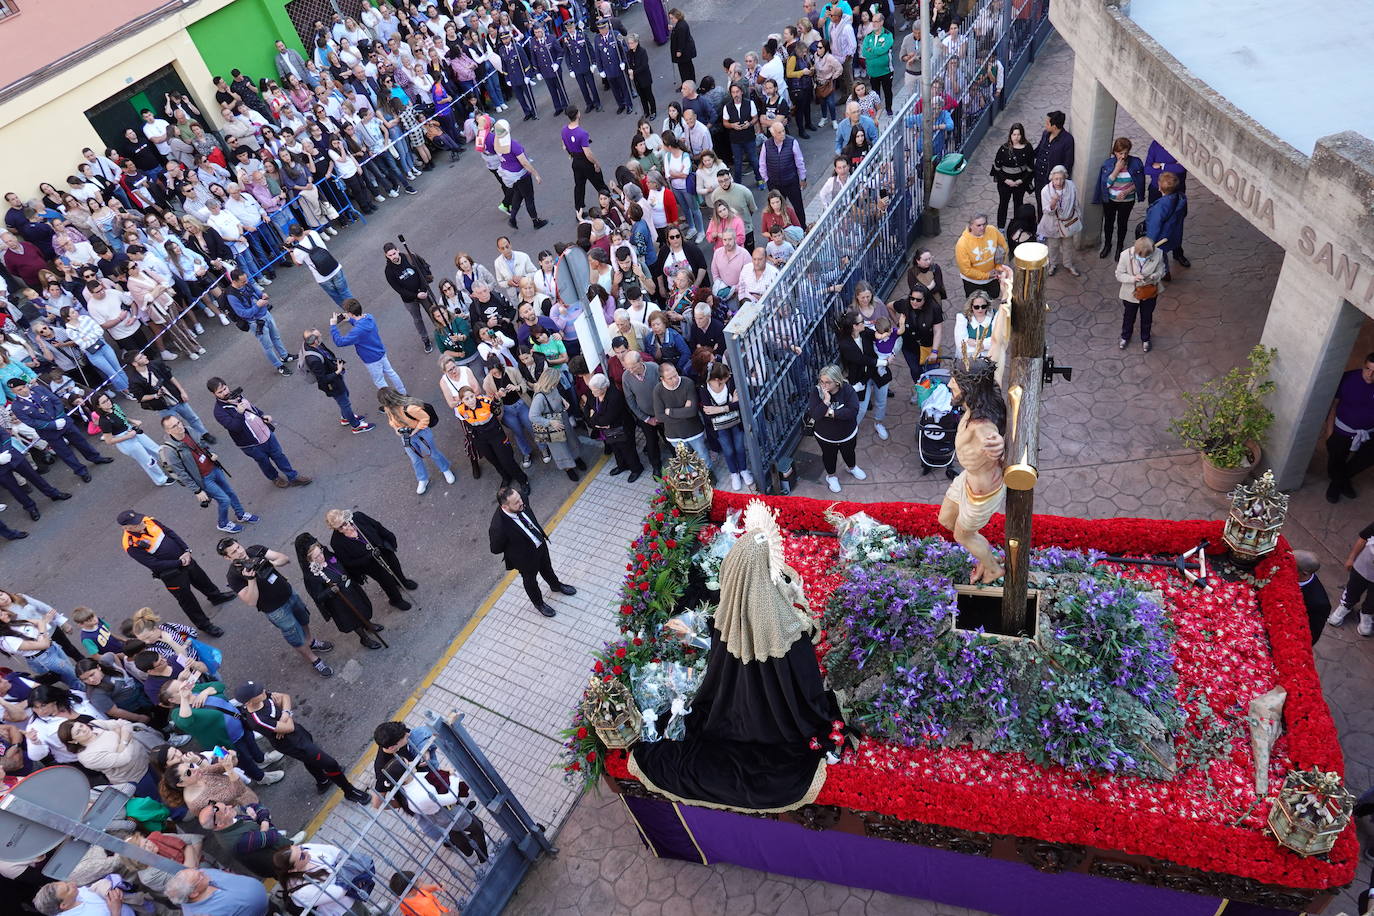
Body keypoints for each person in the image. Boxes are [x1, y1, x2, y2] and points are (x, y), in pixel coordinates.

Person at [218, 539, 334, 677]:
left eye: (238, 547)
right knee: (295, 635)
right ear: (227, 557)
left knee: (304, 619)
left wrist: (271, 563)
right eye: (234, 552)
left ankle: (310, 641)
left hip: (289, 594)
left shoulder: (255, 549)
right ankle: (313, 659)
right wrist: (251, 579)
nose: (240, 552)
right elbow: (251, 601)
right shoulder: (233, 576)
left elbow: (284, 558)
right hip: (276, 610)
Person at [939, 357, 1008, 584]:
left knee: (962, 535)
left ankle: (992, 569)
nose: (950, 384)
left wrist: (1000, 446)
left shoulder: (982, 426)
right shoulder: (988, 391)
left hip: (981, 494)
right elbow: (999, 346)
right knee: (947, 520)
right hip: (968, 478)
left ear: (970, 387)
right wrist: (1004, 321)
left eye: (956, 381)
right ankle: (984, 554)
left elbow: (994, 440)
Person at [118, 511, 231, 635]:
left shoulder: (148, 520)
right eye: (137, 524)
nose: (142, 523)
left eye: (139, 520)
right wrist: (179, 562)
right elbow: (153, 564)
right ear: (126, 528)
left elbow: (170, 533)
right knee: (187, 600)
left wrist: (186, 550)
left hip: (185, 558)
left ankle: (216, 596)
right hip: (171, 573)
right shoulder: (130, 544)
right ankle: (205, 625)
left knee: (202, 579)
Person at [488, 485, 576, 618]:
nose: (521, 502)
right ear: (505, 507)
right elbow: (495, 549)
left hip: (540, 544)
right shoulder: (498, 527)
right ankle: (539, 603)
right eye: (516, 502)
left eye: (519, 498)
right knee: (530, 581)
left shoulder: (520, 498)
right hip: (524, 559)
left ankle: (555, 585)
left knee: (547, 568)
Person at [208, 377, 311, 488]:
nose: (225, 392)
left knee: (279, 456)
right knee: (264, 462)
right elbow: (235, 427)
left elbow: (251, 408)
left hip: (265, 433)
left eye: (225, 388)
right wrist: (239, 413)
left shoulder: (236, 395)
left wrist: (262, 415)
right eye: (220, 392)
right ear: (214, 394)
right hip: (251, 444)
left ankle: (293, 476)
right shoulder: (219, 412)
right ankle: (274, 478)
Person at [8, 378, 113, 481]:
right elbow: (31, 422)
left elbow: (56, 401)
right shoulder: (16, 407)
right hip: (49, 431)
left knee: (81, 442)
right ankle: (81, 471)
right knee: (65, 453)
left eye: (24, 387)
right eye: (19, 390)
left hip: (63, 422)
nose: (24, 390)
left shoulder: (39, 389)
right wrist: (53, 425)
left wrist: (59, 418)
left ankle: (96, 458)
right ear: (13, 392)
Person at [294, 533, 384, 650]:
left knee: (362, 607)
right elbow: (318, 597)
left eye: (320, 552)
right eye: (316, 557)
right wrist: (330, 591)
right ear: (308, 559)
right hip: (340, 602)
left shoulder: (327, 555)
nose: (321, 557)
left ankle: (368, 625)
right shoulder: (311, 576)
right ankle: (364, 638)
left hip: (352, 589)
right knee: (354, 620)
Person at [326, 508, 417, 611]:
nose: (345, 528)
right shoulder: (336, 542)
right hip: (370, 565)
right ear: (334, 528)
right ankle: (396, 600)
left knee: (395, 566)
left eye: (345, 523)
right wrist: (368, 557)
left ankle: (402, 581)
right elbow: (348, 562)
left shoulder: (358, 517)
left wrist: (390, 537)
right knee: (386, 581)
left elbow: (377, 526)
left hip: (383, 549)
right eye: (340, 528)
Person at [127, 352, 213, 446]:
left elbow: (171, 377)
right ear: (134, 363)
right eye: (141, 357)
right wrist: (155, 395)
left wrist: (182, 391)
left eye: (143, 354)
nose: (145, 356)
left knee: (193, 418)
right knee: (175, 427)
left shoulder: (156, 364)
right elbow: (141, 397)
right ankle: (192, 443)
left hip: (176, 397)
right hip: (163, 406)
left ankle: (204, 434)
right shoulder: (134, 381)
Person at [806, 364, 865, 492]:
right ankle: (831, 477)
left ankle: (852, 467)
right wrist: (826, 401)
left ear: (837, 382)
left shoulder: (848, 390)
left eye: (827, 382)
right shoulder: (817, 391)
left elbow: (852, 411)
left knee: (849, 453)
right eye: (821, 381)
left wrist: (830, 413)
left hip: (847, 434)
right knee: (829, 456)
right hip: (825, 436)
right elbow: (815, 414)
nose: (823, 385)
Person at [89, 392, 170, 486]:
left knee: (156, 449)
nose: (108, 402)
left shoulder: (114, 407)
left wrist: (133, 421)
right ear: (98, 406)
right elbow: (109, 440)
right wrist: (128, 436)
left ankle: (171, 466)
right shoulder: (104, 421)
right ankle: (161, 480)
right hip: (125, 441)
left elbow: (122, 417)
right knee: (148, 461)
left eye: (107, 399)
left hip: (132, 430)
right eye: (104, 402)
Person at [1323, 353, 1374, 504]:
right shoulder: (1348, 378)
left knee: (1367, 458)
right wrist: (1329, 431)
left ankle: (1339, 481)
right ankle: (1338, 483)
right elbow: (1334, 404)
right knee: (1336, 459)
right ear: (1363, 365)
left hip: (1369, 433)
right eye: (1367, 369)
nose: (1370, 375)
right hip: (1342, 429)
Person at [301, 328, 374, 433]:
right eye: (318, 336)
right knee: (345, 403)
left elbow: (327, 355)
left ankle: (346, 418)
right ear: (314, 341)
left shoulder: (314, 344)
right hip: (332, 383)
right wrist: (337, 371)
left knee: (345, 395)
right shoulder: (314, 360)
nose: (321, 335)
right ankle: (356, 426)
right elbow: (322, 380)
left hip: (335, 376)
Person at [224, 268, 293, 376]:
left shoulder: (245, 284)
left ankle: (285, 356)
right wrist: (258, 305)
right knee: (267, 346)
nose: (246, 282)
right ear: (234, 281)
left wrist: (263, 295)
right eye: (243, 281)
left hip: (266, 314)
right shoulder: (231, 296)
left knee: (276, 337)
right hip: (255, 323)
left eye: (246, 280)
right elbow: (243, 313)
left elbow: (256, 291)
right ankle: (279, 366)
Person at [0, 422, 71, 522]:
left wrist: (5, 452)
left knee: (34, 476)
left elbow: (4, 435)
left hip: (11, 455)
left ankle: (53, 494)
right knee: (14, 489)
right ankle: (30, 507)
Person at [331, 298, 406, 392]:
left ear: (350, 313)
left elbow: (340, 342)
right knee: (391, 373)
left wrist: (333, 326)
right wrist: (350, 320)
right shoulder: (369, 317)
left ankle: (392, 400)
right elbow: (360, 323)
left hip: (371, 359)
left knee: (380, 381)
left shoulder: (357, 331)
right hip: (381, 352)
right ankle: (403, 392)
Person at [837, 309, 890, 438]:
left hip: (877, 373)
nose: (865, 323)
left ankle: (878, 423)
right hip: (860, 377)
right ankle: (851, 428)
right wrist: (883, 362)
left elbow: (877, 335)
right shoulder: (845, 344)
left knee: (881, 401)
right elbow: (862, 360)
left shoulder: (865, 332)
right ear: (854, 326)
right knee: (861, 407)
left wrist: (887, 339)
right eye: (862, 322)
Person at [489, 119, 549, 231]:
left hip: (508, 174)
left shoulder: (496, 142)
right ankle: (535, 221)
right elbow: (524, 162)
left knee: (518, 194)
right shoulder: (513, 145)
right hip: (521, 175)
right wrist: (535, 174)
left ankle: (512, 218)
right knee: (529, 198)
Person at [1093, 137, 1146, 259]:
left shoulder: (1136, 162)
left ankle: (1119, 247)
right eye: (1120, 153)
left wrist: (1127, 191)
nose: (1123, 156)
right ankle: (1107, 245)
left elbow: (1139, 182)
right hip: (1110, 199)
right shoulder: (1108, 164)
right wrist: (1117, 169)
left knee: (1122, 224)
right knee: (1109, 223)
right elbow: (1106, 184)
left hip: (1127, 200)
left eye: (1126, 153)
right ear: (1115, 152)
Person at [699, 362, 749, 490]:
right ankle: (734, 473)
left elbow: (739, 404)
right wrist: (730, 405)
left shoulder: (731, 383)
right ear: (717, 379)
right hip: (718, 427)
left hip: (736, 422)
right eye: (726, 377)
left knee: (739, 447)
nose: (729, 377)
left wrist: (719, 409)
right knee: (728, 450)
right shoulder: (704, 389)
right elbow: (708, 414)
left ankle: (743, 469)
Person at [1114, 237, 1167, 353]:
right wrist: (1133, 278)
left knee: (1147, 316)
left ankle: (1146, 339)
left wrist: (1155, 276)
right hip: (1130, 294)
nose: (1145, 259)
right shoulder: (1125, 255)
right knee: (1129, 317)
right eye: (1142, 257)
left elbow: (1162, 270)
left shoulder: (1158, 253)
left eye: (1148, 257)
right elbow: (1119, 275)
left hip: (1149, 292)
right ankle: (1125, 336)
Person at [529, 368, 582, 481]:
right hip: (553, 425)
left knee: (571, 440)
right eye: (556, 380)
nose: (558, 382)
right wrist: (550, 422)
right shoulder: (539, 397)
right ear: (550, 381)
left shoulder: (552, 387)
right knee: (560, 448)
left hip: (562, 418)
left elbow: (556, 395)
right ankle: (568, 468)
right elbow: (532, 416)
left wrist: (563, 401)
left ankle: (576, 458)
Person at [286, 223, 353, 305]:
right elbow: (309, 231)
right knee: (345, 292)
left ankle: (349, 315)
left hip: (322, 277)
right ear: (302, 229)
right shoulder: (313, 234)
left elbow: (298, 263)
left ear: (292, 235)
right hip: (335, 268)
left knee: (338, 298)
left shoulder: (297, 251)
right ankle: (357, 312)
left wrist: (291, 253)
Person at [561, 106, 610, 216]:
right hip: (586, 162)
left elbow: (564, 145)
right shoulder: (582, 133)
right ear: (578, 114)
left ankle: (579, 211)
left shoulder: (564, 130)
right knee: (600, 184)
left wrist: (571, 153)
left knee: (579, 187)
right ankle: (609, 207)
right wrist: (596, 163)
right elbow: (588, 153)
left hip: (575, 162)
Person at [758, 121, 807, 229]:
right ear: (773, 134)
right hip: (774, 184)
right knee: (777, 210)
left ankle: (802, 229)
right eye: (779, 132)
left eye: (783, 131)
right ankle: (781, 232)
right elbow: (762, 163)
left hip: (791, 182)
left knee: (798, 207)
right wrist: (766, 179)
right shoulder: (766, 145)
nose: (783, 134)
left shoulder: (792, 142)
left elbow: (799, 161)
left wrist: (802, 178)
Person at [165, 866, 269, 916]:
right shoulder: (203, 914)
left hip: (267, 905)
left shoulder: (203, 875)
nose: (202, 871)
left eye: (197, 870)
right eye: (199, 876)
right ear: (194, 893)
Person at [1037, 164, 1081, 277]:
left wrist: (1078, 215)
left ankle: (1068, 264)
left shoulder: (1071, 186)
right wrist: (1053, 202)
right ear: (1052, 178)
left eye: (1061, 178)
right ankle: (1053, 264)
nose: (1059, 181)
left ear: (1065, 177)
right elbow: (1046, 211)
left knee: (1068, 245)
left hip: (1068, 222)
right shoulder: (1045, 191)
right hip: (1052, 223)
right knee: (1053, 246)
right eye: (1056, 179)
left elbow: (1075, 202)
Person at [1143, 171, 1188, 282]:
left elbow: (1155, 225)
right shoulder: (1180, 198)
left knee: (1157, 257)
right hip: (1172, 233)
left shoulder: (1161, 206)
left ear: (1160, 188)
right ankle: (1165, 273)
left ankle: (1163, 274)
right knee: (1162, 255)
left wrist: (1149, 242)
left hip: (1160, 237)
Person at [990, 123, 1035, 230]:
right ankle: (1001, 227)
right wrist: (1006, 180)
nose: (1016, 137)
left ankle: (1017, 226)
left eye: (1019, 134)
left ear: (1022, 135)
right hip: (1005, 183)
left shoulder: (1028, 148)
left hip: (1020, 183)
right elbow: (997, 168)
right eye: (1014, 134)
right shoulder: (1004, 149)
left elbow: (1030, 168)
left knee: (1018, 204)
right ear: (1010, 135)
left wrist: (1021, 180)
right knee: (1003, 204)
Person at [953, 213, 1007, 297]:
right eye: (978, 225)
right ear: (970, 226)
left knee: (994, 296)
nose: (982, 228)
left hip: (993, 276)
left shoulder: (992, 230)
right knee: (976, 305)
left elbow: (1004, 247)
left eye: (984, 224)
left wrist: (998, 267)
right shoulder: (962, 244)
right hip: (973, 282)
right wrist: (987, 275)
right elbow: (966, 270)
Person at [1033, 110, 1074, 216]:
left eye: (1047, 123)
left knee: (1052, 207)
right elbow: (1038, 151)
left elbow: (1068, 163)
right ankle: (1041, 229)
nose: (1045, 125)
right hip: (1038, 178)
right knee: (1040, 204)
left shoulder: (1067, 140)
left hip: (1051, 182)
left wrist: (1058, 182)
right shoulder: (1045, 134)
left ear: (1054, 126)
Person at [668, 8, 696, 84]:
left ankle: (686, 83)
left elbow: (681, 40)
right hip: (687, 50)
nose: (671, 20)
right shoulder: (681, 24)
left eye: (672, 18)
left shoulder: (681, 26)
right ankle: (691, 81)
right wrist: (673, 29)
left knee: (684, 69)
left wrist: (679, 50)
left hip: (684, 52)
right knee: (688, 66)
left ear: (676, 16)